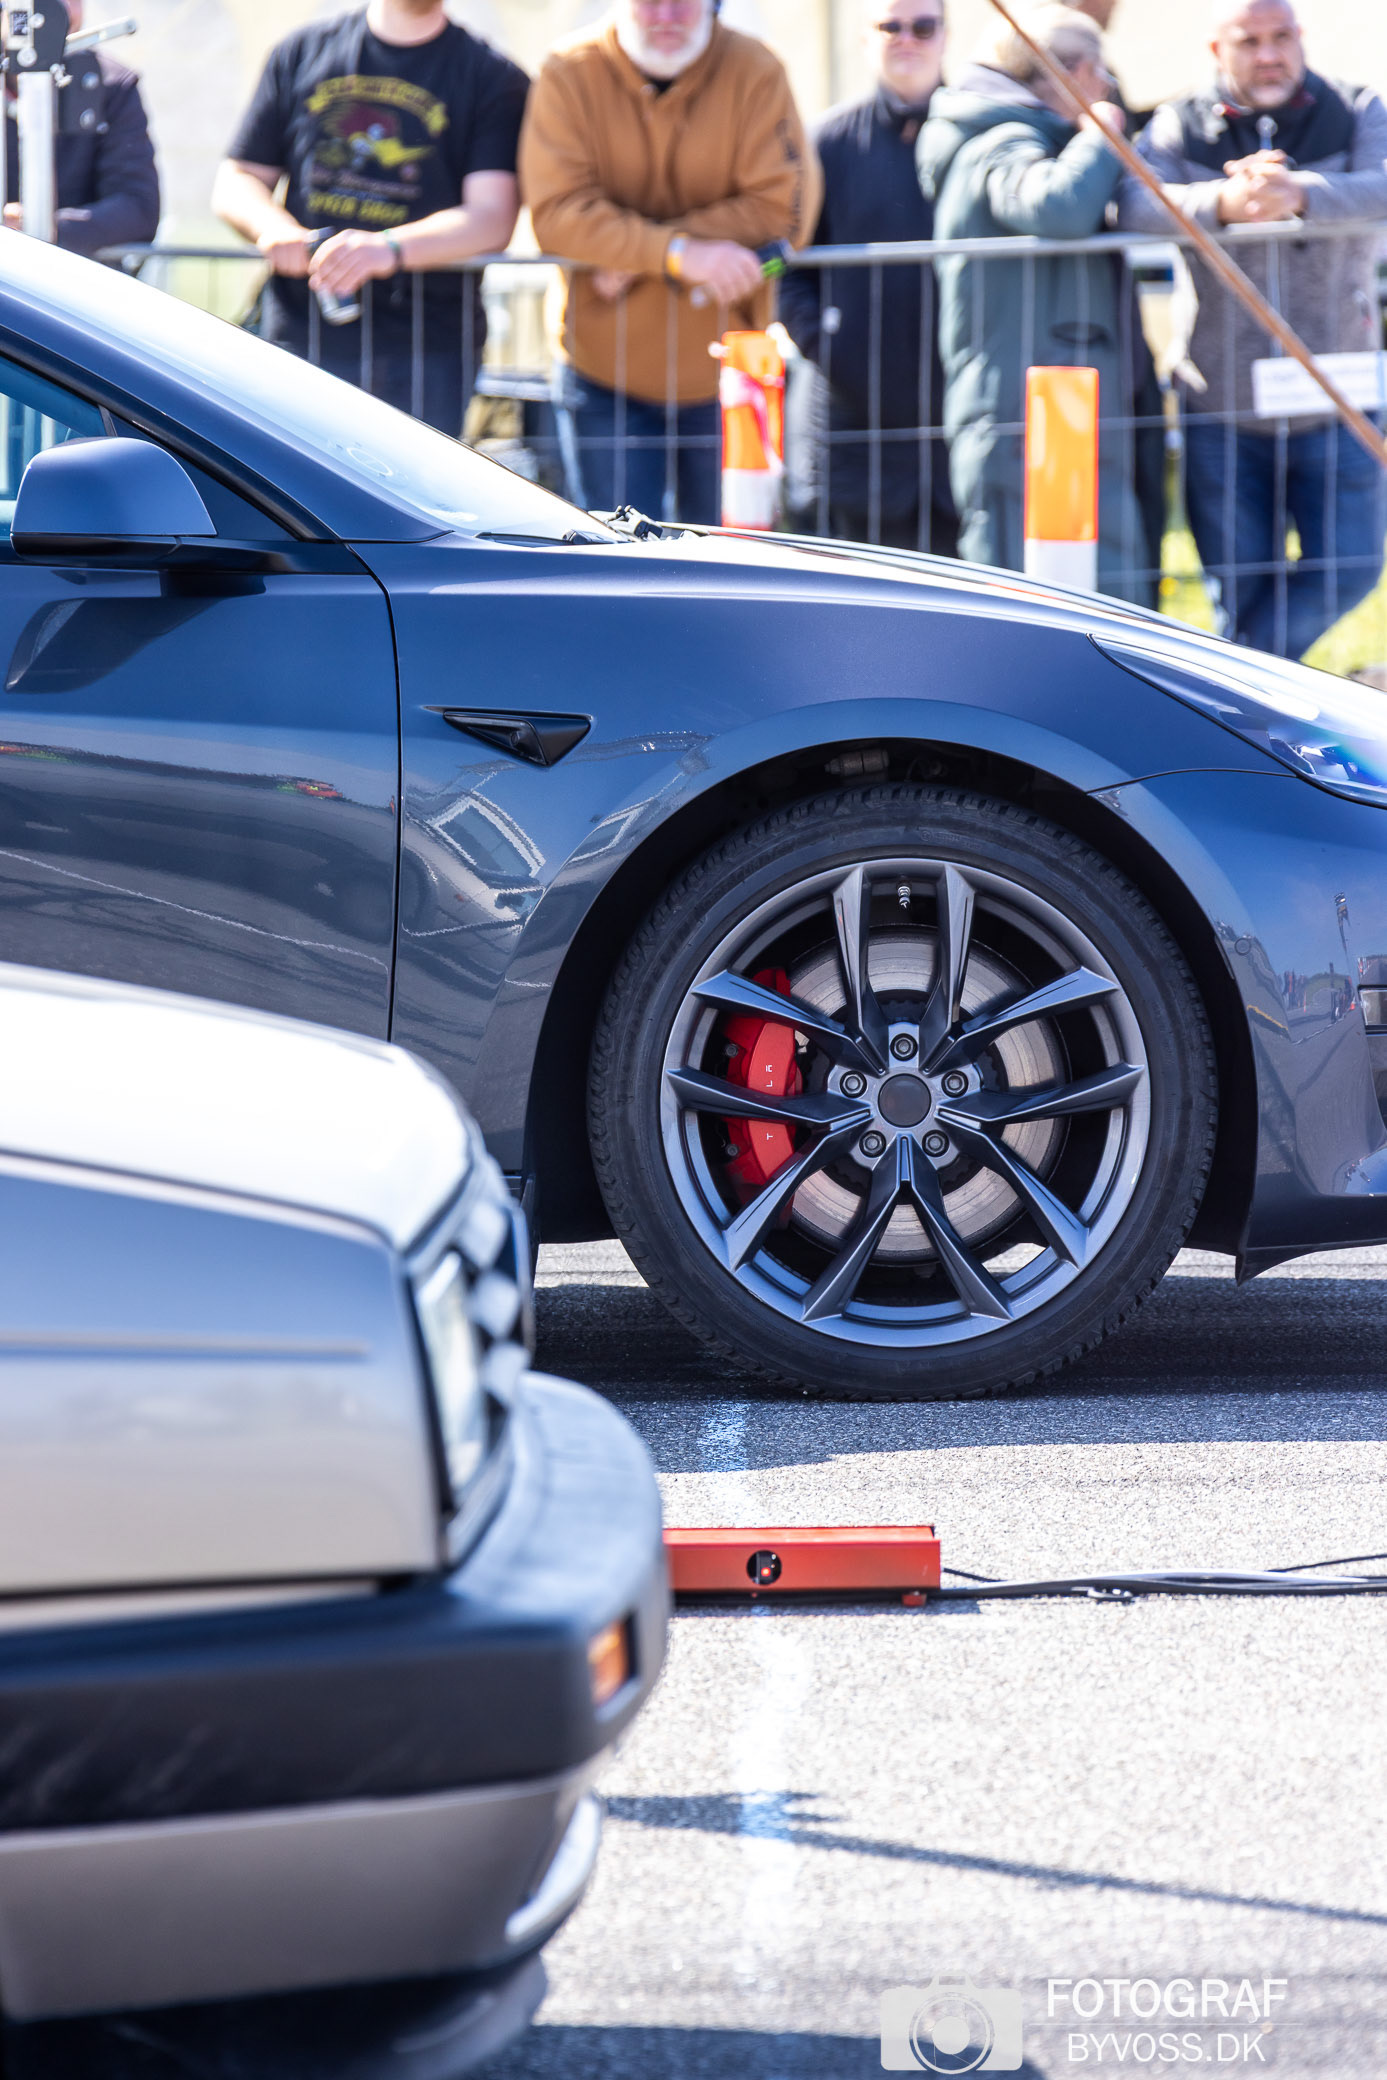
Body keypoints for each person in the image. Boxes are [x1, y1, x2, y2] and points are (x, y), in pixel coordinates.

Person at [1118, 0, 1387, 658]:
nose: (1268, 55)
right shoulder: (1179, 123)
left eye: (1280, 37)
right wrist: (1221, 202)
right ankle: (1251, 695)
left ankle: (1241, 674)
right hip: (1222, 401)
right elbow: (1133, 202)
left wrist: (1301, 193)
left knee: (1352, 565)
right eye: (1248, 41)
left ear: (1300, 37)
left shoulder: (1356, 107)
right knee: (1235, 587)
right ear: (1217, 49)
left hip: (1338, 392)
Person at [518, 0, 819, 523]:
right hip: (601, 371)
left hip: (725, 370)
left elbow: (784, 211)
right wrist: (677, 255)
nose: (666, 14)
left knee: (730, 559)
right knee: (616, 558)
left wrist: (638, 254)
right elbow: (556, 216)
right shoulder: (567, 70)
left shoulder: (756, 69)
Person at [917, 4, 1150, 598]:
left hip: (1050, 404)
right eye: (1100, 72)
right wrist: (1100, 135)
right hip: (1018, 415)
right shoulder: (1000, 141)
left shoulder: (1012, 133)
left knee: (1086, 580)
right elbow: (1056, 206)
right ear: (1069, 73)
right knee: (1021, 587)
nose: (1108, 87)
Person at [213, 0, 528, 436]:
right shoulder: (300, 53)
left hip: (425, 352)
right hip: (298, 334)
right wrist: (275, 231)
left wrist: (387, 249)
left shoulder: (493, 77)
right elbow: (238, 179)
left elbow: (492, 218)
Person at [778, 0, 958, 554]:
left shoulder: (977, 137)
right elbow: (777, 264)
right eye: (890, 26)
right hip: (850, 425)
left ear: (945, 35)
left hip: (957, 426)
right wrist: (828, 344)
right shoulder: (824, 143)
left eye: (923, 27)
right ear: (865, 37)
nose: (907, 39)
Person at [3, 0, 159, 259]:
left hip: (72, 272)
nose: (62, 8)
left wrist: (47, 229)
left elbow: (138, 207)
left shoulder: (110, 86)